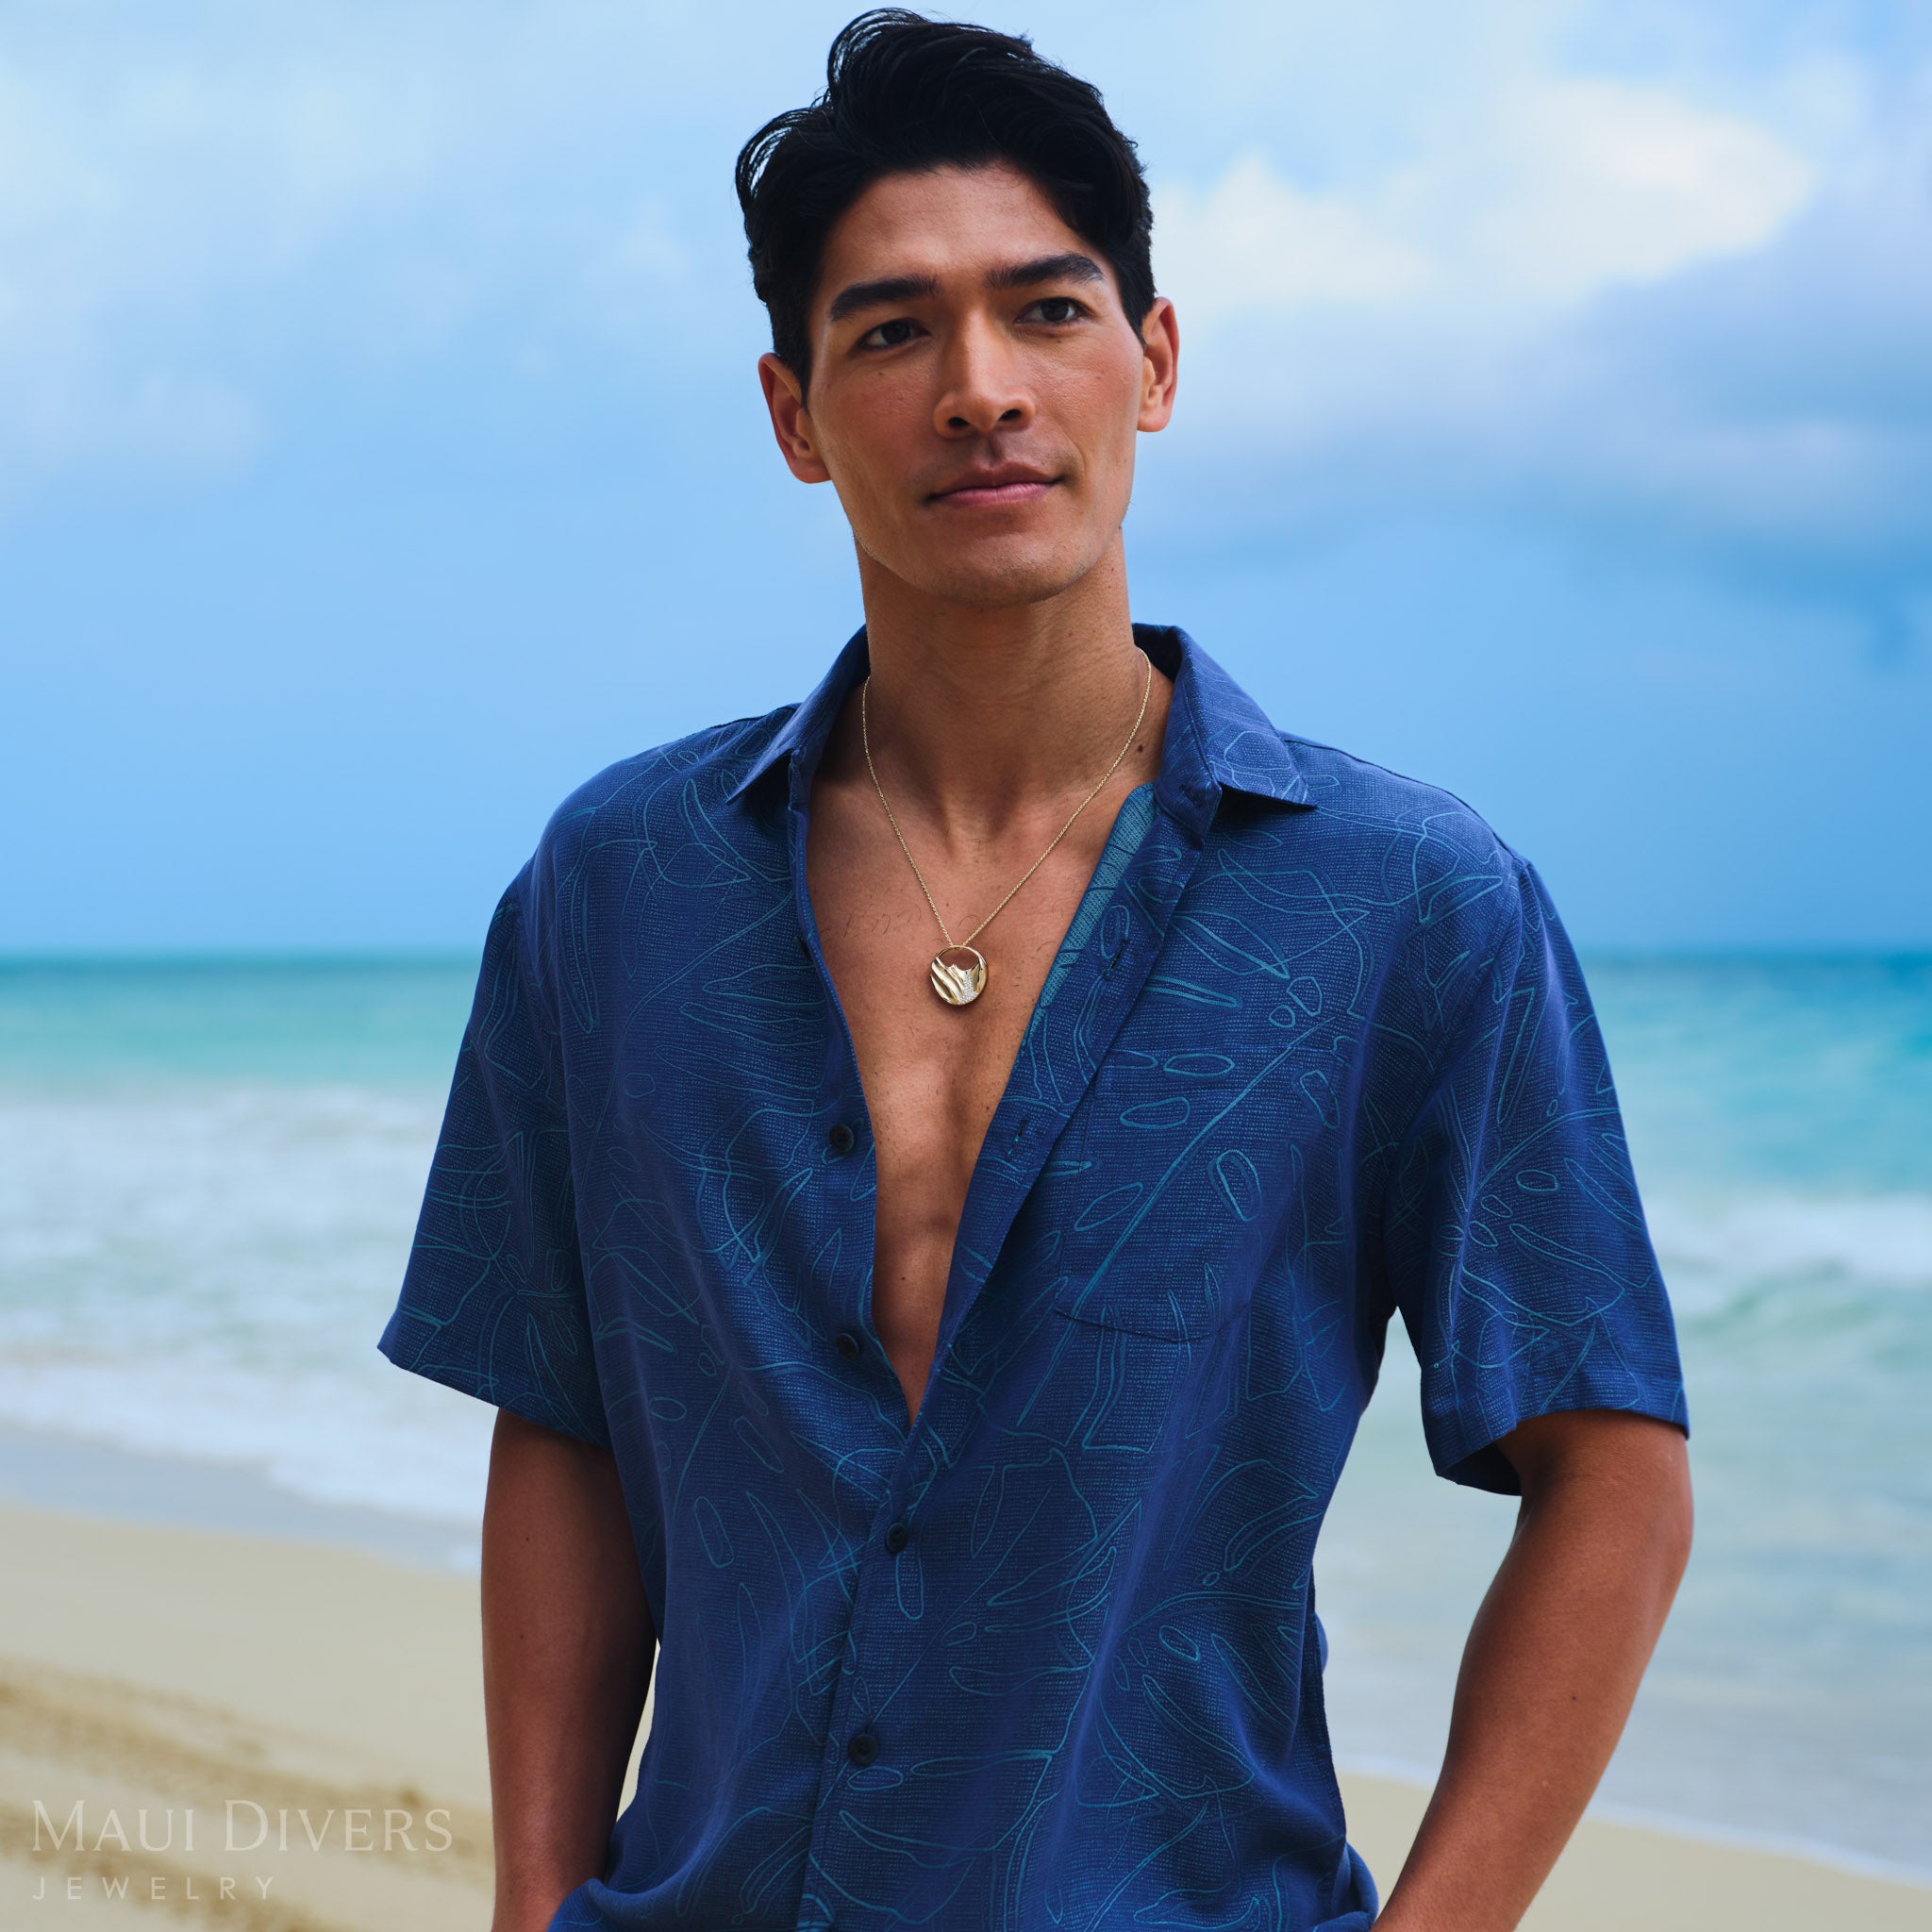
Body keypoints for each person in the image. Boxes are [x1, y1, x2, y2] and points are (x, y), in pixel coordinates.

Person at [377, 11, 1692, 1930]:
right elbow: (563, 1424)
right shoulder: (616, 886)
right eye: (892, 330)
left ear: (1151, 364)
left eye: (1047, 312)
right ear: (793, 414)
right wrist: (528, 1904)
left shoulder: (1408, 902)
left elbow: (1614, 1469)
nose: (980, 388)